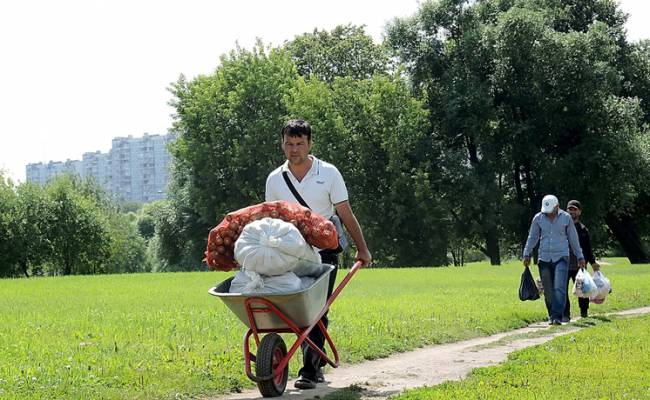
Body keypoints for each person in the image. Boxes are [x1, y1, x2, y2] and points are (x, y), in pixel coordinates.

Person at [265, 119, 372, 390]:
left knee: (315, 310)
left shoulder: (329, 173)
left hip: (323, 253)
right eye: (289, 143)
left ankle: (310, 370)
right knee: (294, 309)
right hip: (289, 254)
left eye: (300, 143)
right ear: (282, 144)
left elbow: (345, 212)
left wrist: (362, 248)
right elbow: (270, 218)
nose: (294, 149)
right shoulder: (276, 179)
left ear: (310, 144)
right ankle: (301, 359)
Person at [522, 194, 585, 326]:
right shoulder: (538, 218)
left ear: (557, 207)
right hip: (544, 258)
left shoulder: (566, 218)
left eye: (551, 211)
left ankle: (557, 316)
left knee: (559, 288)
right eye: (547, 212)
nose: (549, 214)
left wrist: (580, 256)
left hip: (561, 257)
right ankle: (552, 314)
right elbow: (532, 237)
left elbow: (573, 239)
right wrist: (526, 253)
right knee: (548, 290)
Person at [563, 200, 600, 321]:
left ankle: (584, 312)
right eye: (570, 209)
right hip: (563, 264)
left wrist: (593, 262)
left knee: (582, 290)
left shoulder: (583, 230)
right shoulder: (562, 227)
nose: (572, 211)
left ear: (579, 212)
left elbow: (588, 249)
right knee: (562, 290)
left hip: (579, 265)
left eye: (574, 209)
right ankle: (565, 314)